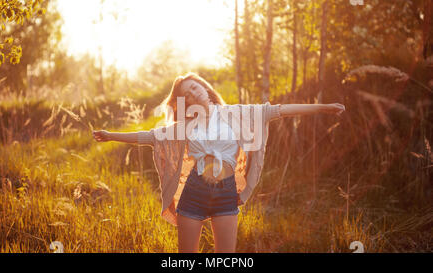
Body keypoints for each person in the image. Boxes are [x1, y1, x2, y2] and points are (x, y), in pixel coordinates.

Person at [92, 72, 345, 253]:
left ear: (204, 87)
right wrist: (111, 135)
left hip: (225, 194)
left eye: (194, 87)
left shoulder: (237, 114)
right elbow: (149, 137)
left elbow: (279, 110)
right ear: (186, 102)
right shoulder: (186, 126)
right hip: (193, 193)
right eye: (186, 94)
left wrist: (324, 108)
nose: (192, 93)